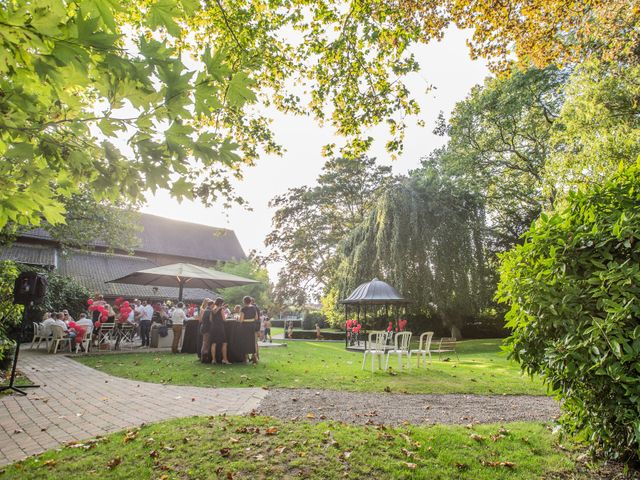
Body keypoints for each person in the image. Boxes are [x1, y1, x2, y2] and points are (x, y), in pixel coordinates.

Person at [209, 298, 230, 364]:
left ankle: (213, 360)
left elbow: (210, 320)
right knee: (224, 343)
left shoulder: (212, 309)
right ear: (221, 303)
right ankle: (225, 359)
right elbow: (224, 319)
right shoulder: (221, 309)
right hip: (220, 327)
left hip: (213, 327)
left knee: (213, 343)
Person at [239, 296, 259, 364]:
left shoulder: (243, 309)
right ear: (250, 301)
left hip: (245, 326)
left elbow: (241, 320)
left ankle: (245, 358)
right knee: (252, 341)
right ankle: (254, 357)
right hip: (252, 326)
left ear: (244, 301)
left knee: (245, 341)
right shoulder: (254, 308)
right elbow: (256, 317)